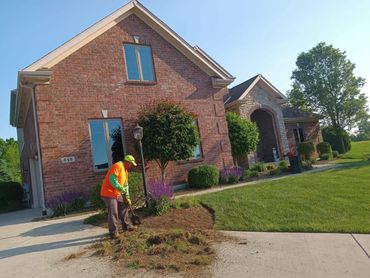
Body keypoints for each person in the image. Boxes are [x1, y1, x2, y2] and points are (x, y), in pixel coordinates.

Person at [100, 154, 138, 239]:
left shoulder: (125, 171)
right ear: (127, 162)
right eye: (131, 164)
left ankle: (127, 226)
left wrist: (127, 197)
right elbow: (112, 180)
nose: (131, 166)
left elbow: (126, 185)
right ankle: (113, 233)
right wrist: (121, 189)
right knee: (114, 212)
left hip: (117, 193)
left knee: (124, 207)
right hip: (108, 193)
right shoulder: (117, 166)